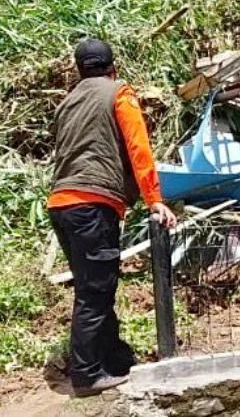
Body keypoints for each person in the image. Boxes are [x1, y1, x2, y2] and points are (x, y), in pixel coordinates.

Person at [47, 38, 178, 397]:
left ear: (78, 70)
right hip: (93, 204)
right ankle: (87, 375)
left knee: (95, 285)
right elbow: (139, 147)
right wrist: (154, 200)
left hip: (62, 203)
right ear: (112, 66)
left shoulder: (67, 102)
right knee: (95, 291)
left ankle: (115, 358)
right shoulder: (119, 93)